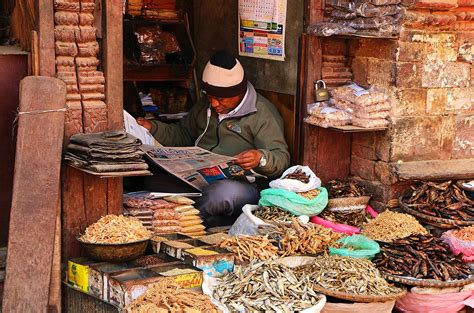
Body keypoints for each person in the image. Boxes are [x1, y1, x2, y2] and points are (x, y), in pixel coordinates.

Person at [137, 50, 290, 227]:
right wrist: (153, 128)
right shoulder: (206, 105)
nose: (214, 103)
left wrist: (260, 158)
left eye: (220, 98)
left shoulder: (262, 113)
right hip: (201, 177)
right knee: (153, 180)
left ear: (238, 93)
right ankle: (208, 220)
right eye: (210, 96)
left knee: (219, 195)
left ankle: (188, 226)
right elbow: (183, 134)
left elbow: (281, 158)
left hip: (243, 185)